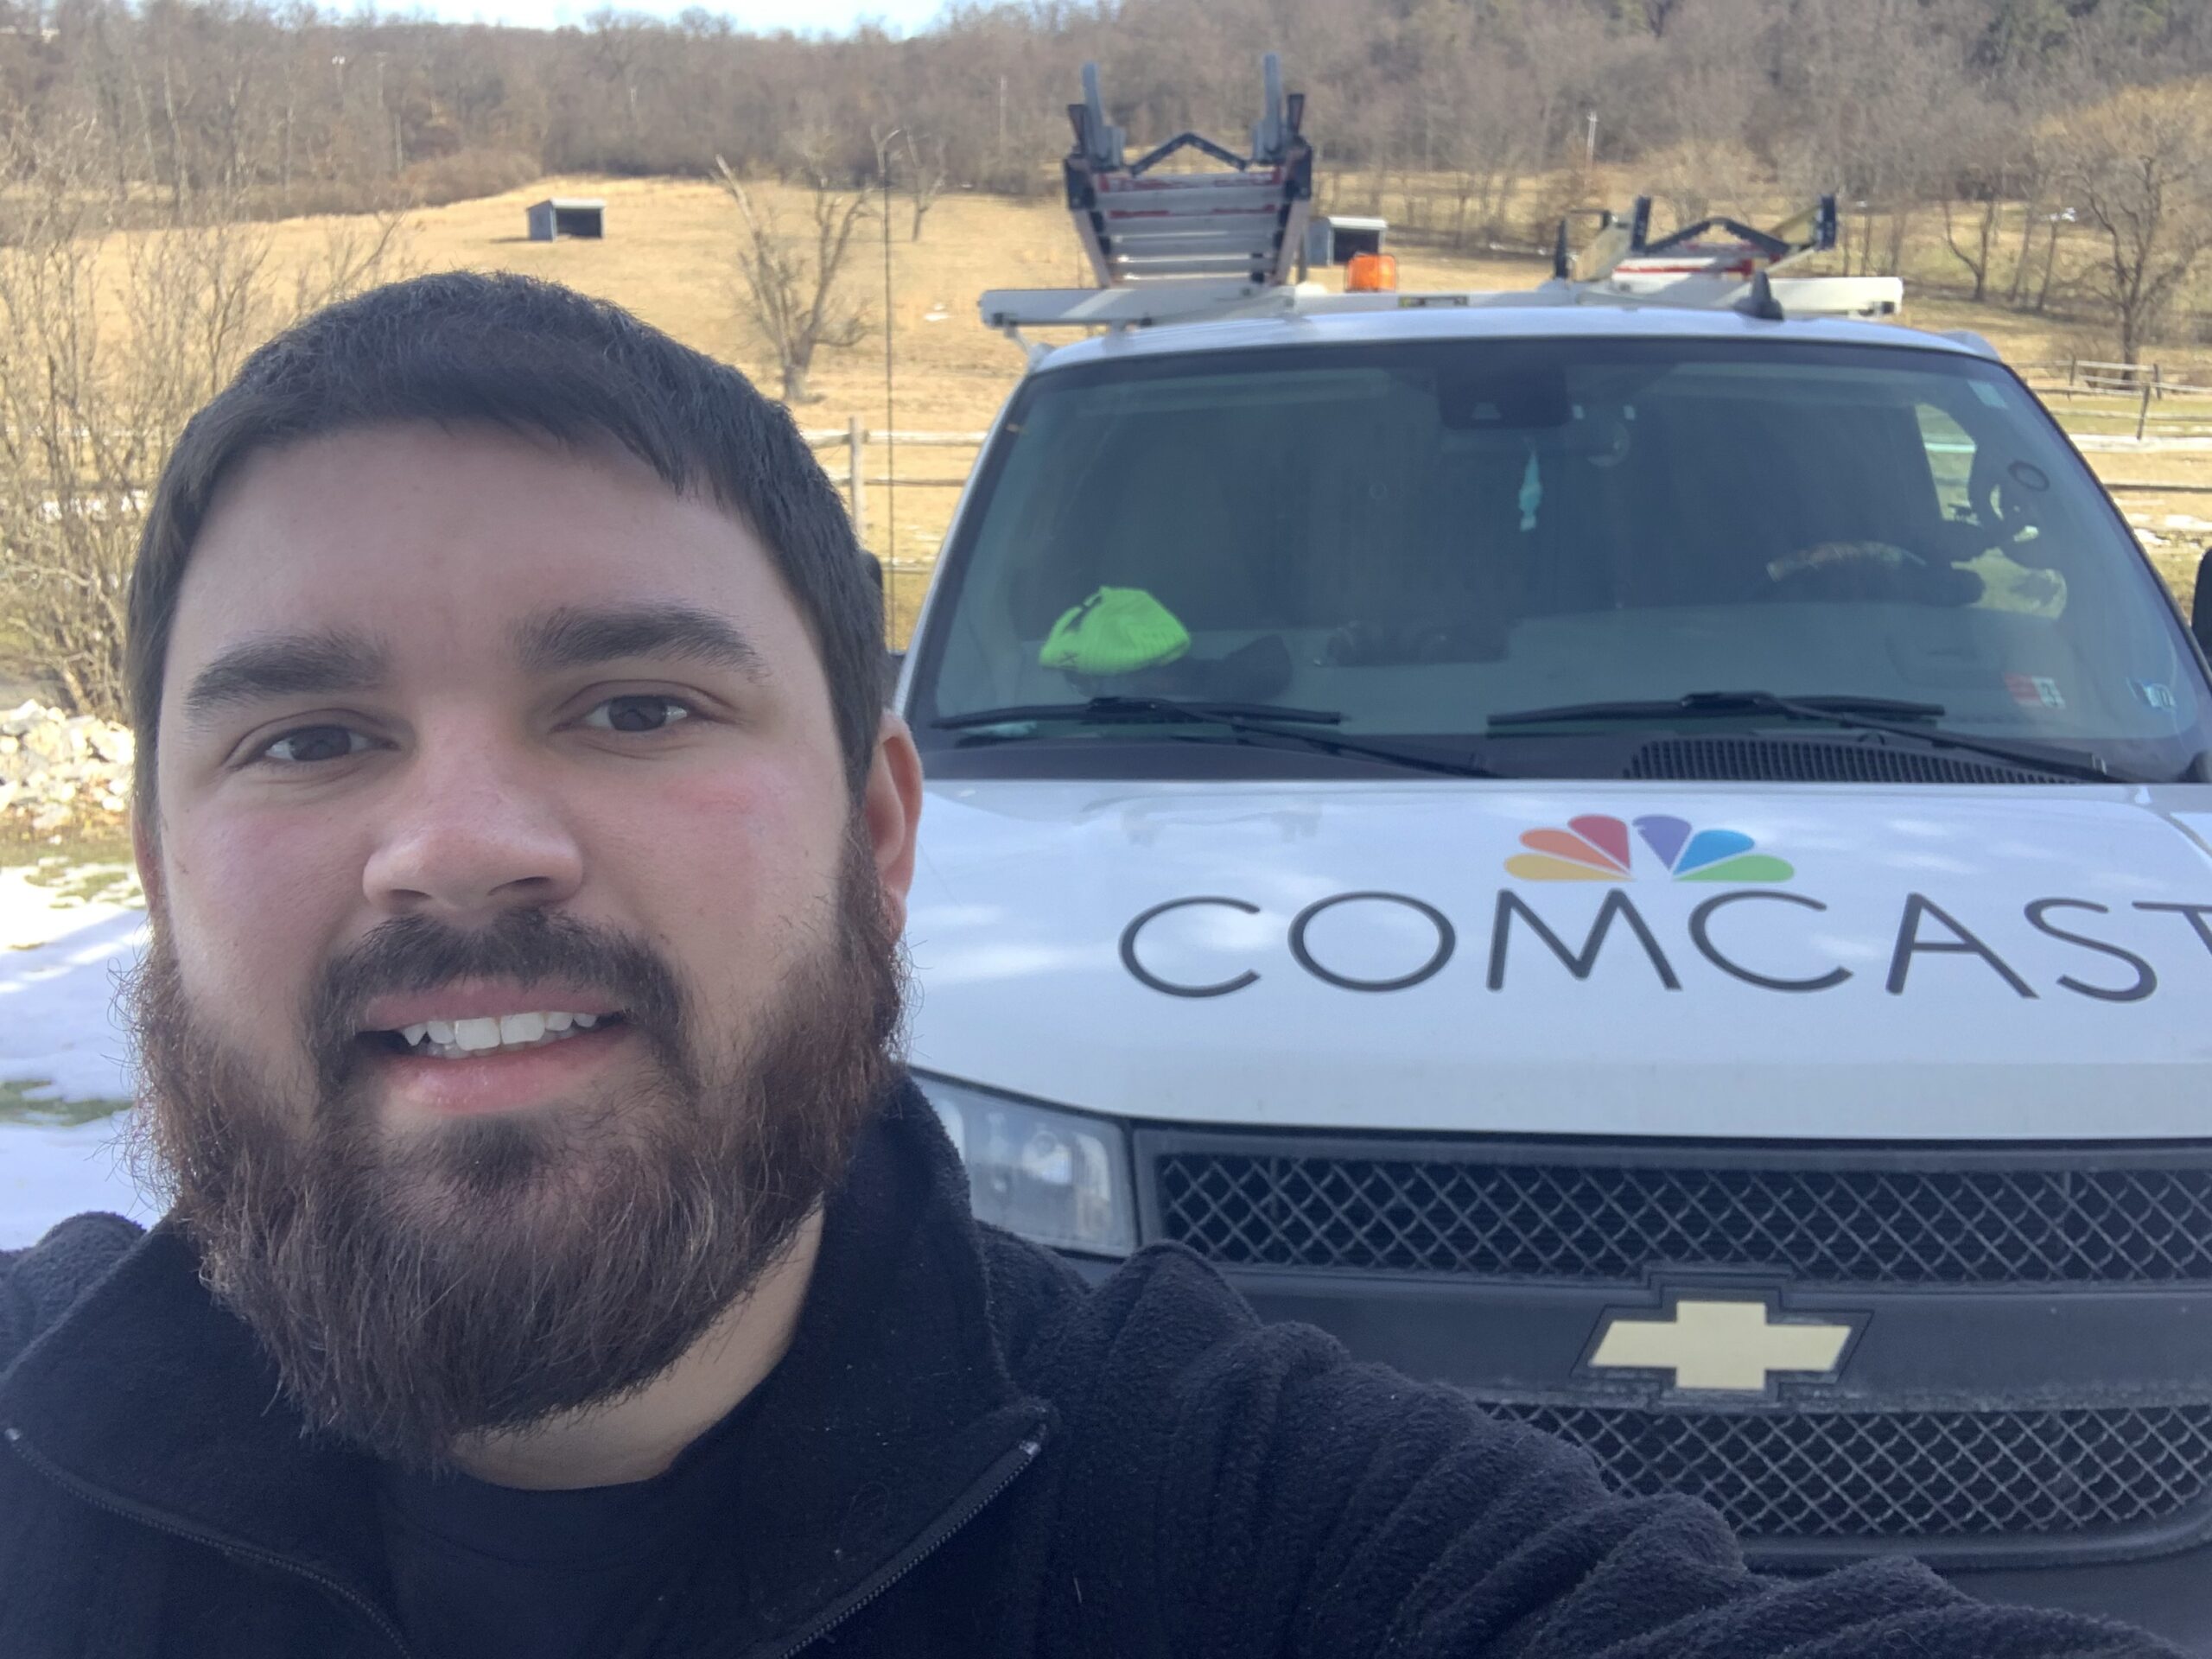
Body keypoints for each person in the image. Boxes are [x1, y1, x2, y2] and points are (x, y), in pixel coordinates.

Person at [0, 271, 2177, 1659]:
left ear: (878, 832)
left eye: (637, 704)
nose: (459, 836)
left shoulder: (1227, 1518)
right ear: (161, 863)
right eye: (306, 735)